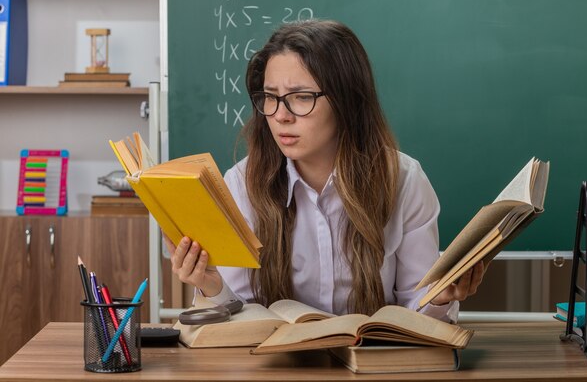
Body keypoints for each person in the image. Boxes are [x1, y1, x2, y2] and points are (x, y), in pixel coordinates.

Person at [165, 19, 486, 322]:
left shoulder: (403, 179)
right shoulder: (242, 182)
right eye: (270, 98)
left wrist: (440, 298)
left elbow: (415, 306)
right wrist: (212, 285)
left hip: (372, 364)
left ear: (347, 100)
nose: (281, 116)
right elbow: (241, 314)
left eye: (301, 97)